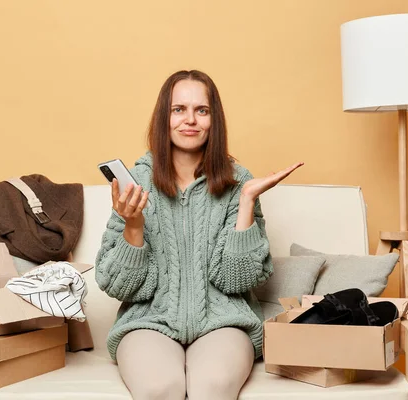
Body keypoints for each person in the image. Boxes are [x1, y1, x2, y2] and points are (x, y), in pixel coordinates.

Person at [94, 70, 303, 400]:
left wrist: (247, 202)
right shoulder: (136, 181)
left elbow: (238, 280)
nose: (190, 120)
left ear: (213, 119)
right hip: (150, 322)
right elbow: (116, 284)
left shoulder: (239, 182)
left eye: (201, 110)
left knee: (213, 388)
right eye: (179, 109)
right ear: (164, 117)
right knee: (158, 388)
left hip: (223, 323)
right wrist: (133, 226)